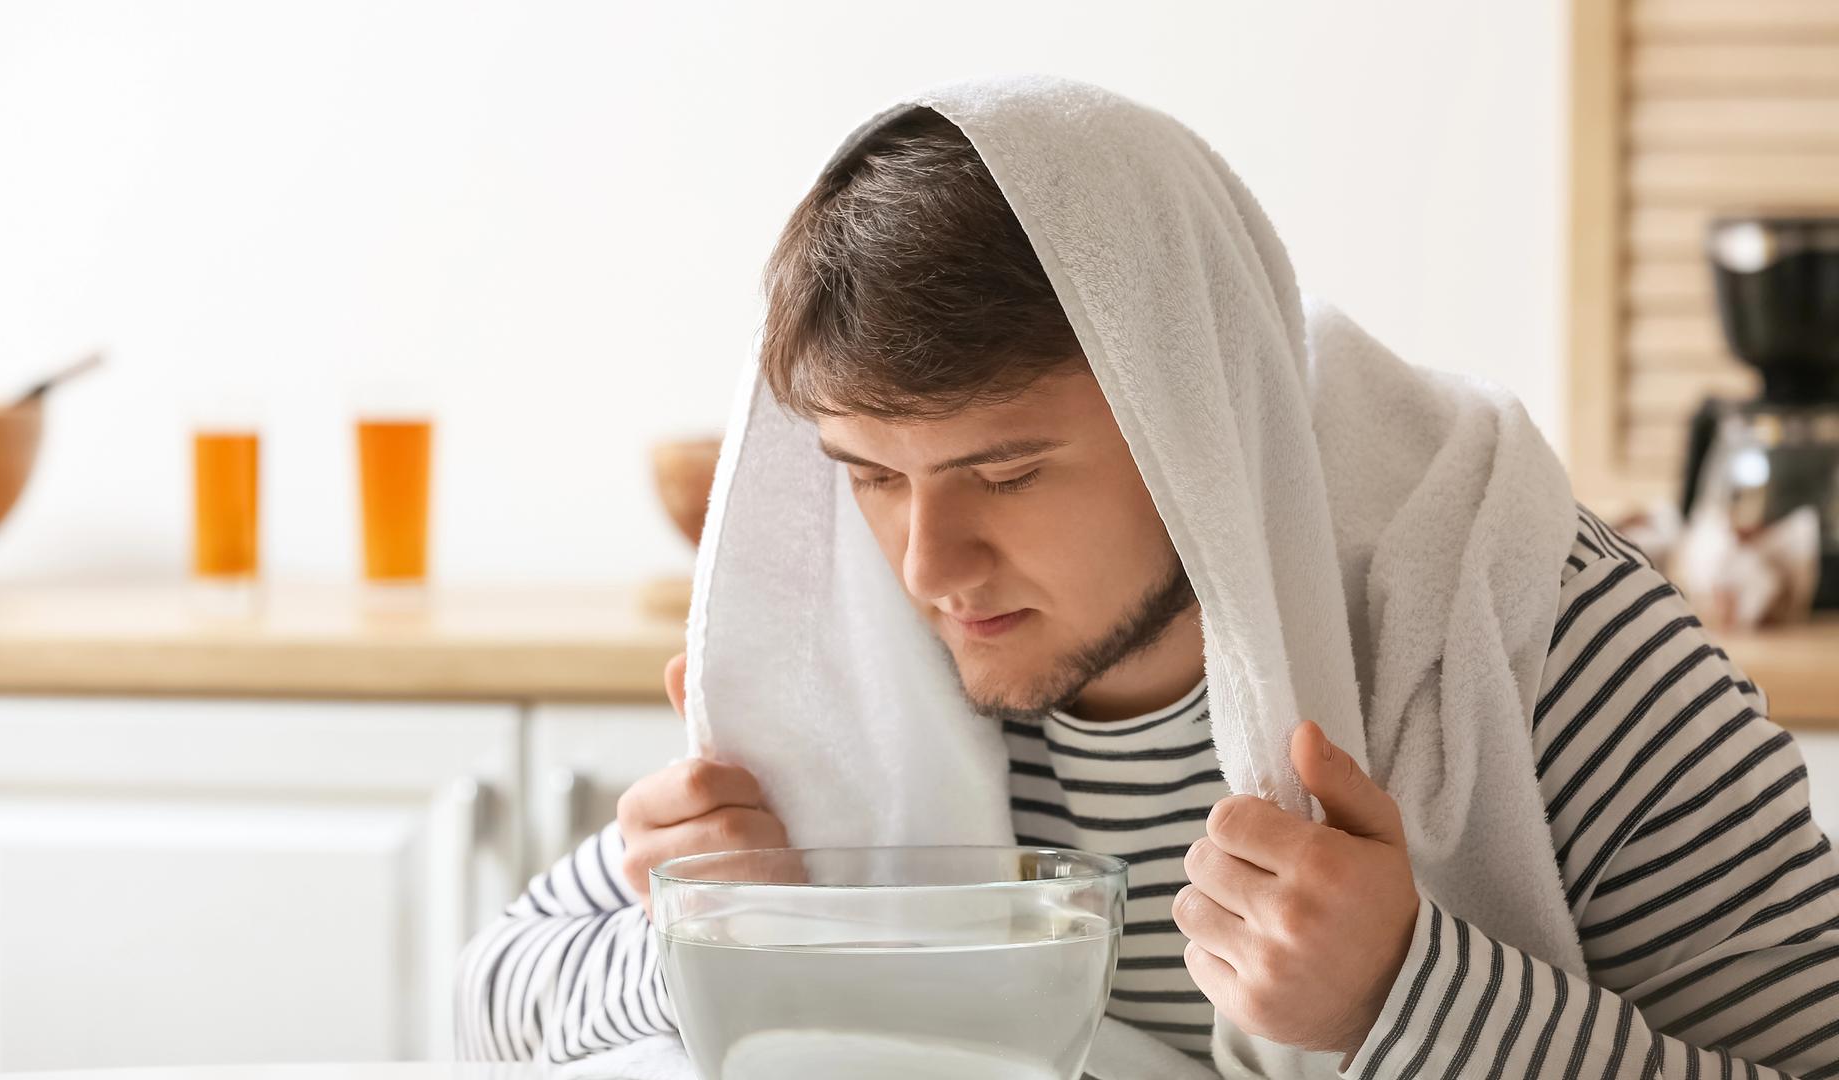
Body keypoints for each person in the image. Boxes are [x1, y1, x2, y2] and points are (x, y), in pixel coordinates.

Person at [457, 104, 1839, 1077]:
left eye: (1005, 475)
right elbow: (486, 1004)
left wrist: (1409, 996)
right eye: (872, 474)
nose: (929, 568)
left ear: (1204, 419)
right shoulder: (850, 647)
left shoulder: (1539, 635)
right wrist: (703, 935)